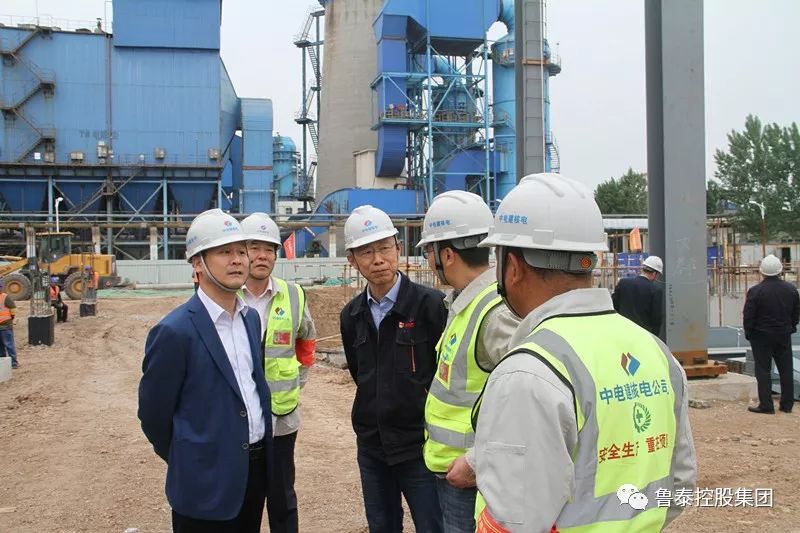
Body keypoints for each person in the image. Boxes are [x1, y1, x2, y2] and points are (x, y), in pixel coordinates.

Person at [472, 174, 696, 532]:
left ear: (512, 267)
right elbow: (680, 485)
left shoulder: (530, 371)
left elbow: (514, 520)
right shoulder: (655, 351)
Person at [138, 208, 272, 533]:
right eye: (224, 252)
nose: (237, 260)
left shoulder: (250, 319)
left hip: (253, 472)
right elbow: (154, 417)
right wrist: (192, 459)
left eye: (241, 251)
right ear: (197, 263)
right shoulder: (174, 331)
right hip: (203, 482)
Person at [339, 205, 447, 533]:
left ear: (399, 248)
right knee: (382, 525)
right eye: (366, 252)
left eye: (385, 248)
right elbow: (361, 375)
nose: (378, 259)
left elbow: (444, 375)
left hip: (420, 446)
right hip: (373, 447)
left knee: (433, 525)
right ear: (352, 260)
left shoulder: (431, 306)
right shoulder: (352, 315)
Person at [416, 191, 519, 533]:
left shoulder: (495, 314)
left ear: (446, 255)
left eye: (429, 252)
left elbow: (528, 399)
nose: (427, 261)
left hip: (473, 479)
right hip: (453, 472)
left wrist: (475, 462)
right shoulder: (464, 305)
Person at [240, 212, 317, 533]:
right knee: (243, 498)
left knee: (282, 496)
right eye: (254, 247)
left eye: (268, 249)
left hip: (282, 418)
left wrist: (295, 384)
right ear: (241, 252)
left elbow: (307, 342)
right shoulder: (227, 295)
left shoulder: (293, 295)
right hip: (238, 421)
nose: (262, 255)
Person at [743, 254, 799, 414]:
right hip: (783, 334)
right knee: (786, 369)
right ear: (780, 271)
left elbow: (749, 315)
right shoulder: (791, 289)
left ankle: (766, 405)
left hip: (761, 336)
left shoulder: (756, 291)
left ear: (762, 271)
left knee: (763, 370)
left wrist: (749, 333)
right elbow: (796, 313)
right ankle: (787, 405)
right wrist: (790, 327)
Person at [612, 255, 664, 336]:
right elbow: (656, 318)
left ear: (643, 269)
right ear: (654, 273)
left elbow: (614, 306)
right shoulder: (655, 290)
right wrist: (655, 336)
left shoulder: (623, 283)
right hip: (644, 335)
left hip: (623, 331)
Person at [0, 279, 19, 369]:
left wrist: (11, 318)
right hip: (4, 325)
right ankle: (3, 363)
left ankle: (13, 363)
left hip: (5, 325)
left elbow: (13, 309)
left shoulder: (5, 297)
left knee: (9, 345)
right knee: (1, 346)